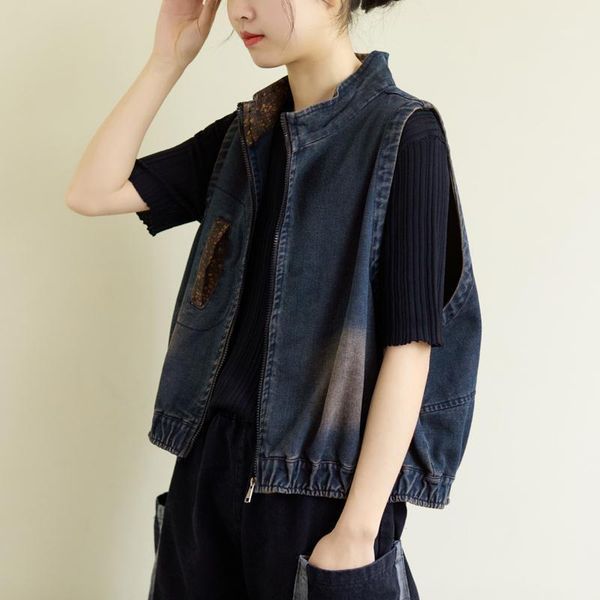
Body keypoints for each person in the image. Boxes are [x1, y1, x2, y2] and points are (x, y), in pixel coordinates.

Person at [66, 0, 482, 598]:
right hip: (205, 475)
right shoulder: (248, 134)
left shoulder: (404, 135)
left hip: (318, 493)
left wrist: (357, 531)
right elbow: (93, 191)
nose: (241, 12)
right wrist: (167, 60)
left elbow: (411, 346)